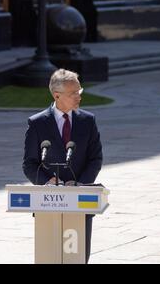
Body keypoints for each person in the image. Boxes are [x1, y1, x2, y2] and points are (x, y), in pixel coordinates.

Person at [23, 69, 103, 263]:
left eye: (79, 91)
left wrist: (79, 184)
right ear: (56, 95)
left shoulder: (88, 121)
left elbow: (95, 159)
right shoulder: (37, 123)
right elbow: (30, 164)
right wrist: (47, 180)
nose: (79, 97)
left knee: (78, 256)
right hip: (48, 203)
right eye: (73, 93)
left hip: (80, 200)